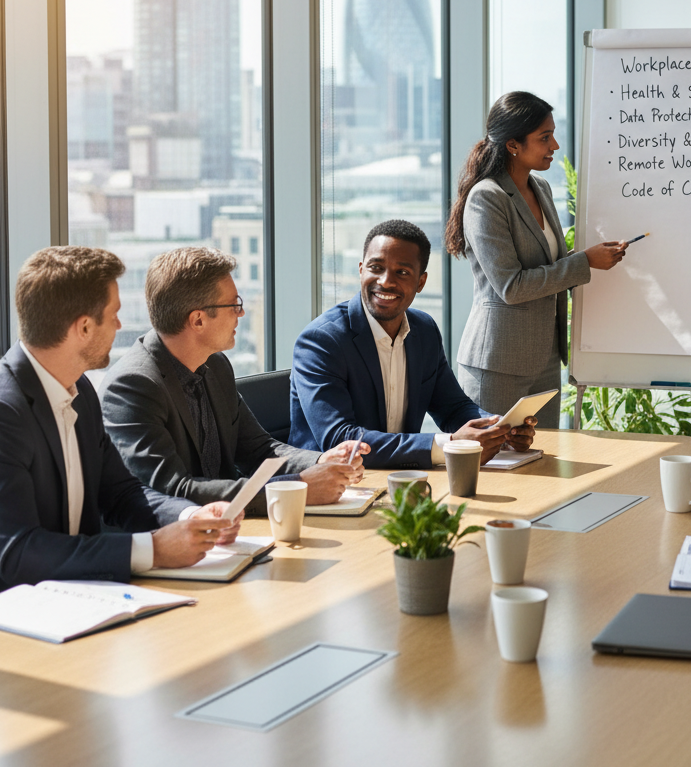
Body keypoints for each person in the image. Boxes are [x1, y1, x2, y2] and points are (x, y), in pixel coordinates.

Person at [0, 247, 240, 590]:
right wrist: (152, 549)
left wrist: (189, 517)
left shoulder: (79, 389)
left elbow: (122, 494)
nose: (119, 325)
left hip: (80, 599)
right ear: (83, 327)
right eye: (113, 314)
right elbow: (17, 553)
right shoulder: (5, 412)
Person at [101, 248, 367, 515]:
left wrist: (321, 459)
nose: (241, 314)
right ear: (198, 320)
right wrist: (296, 488)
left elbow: (259, 449)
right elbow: (173, 489)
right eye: (234, 304)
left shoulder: (215, 364)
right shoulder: (133, 385)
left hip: (232, 530)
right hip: (175, 543)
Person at [445, 91, 627, 429]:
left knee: (542, 464)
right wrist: (584, 263)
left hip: (544, 358)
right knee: (495, 467)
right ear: (513, 144)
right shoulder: (486, 198)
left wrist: (590, 258)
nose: (555, 146)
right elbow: (511, 287)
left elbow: (547, 263)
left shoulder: (541, 187)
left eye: (553, 135)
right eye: (545, 138)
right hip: (498, 362)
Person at [289, 220, 530, 469]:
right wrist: (449, 444)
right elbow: (340, 439)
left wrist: (496, 430)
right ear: (361, 270)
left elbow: (453, 408)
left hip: (401, 477)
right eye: (376, 267)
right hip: (331, 486)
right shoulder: (321, 341)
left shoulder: (423, 330)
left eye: (402, 272)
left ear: (421, 282)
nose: (385, 281)